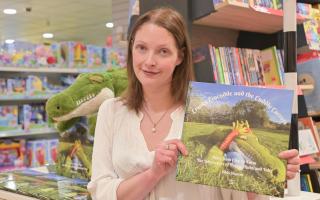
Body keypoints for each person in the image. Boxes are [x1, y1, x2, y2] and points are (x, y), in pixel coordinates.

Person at [87, 7, 300, 200]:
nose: (149, 61)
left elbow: (237, 193)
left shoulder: (202, 110)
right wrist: (154, 173)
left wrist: (266, 173)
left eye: (163, 51)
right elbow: (101, 192)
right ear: (131, 49)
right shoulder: (112, 110)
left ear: (180, 56)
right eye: (142, 48)